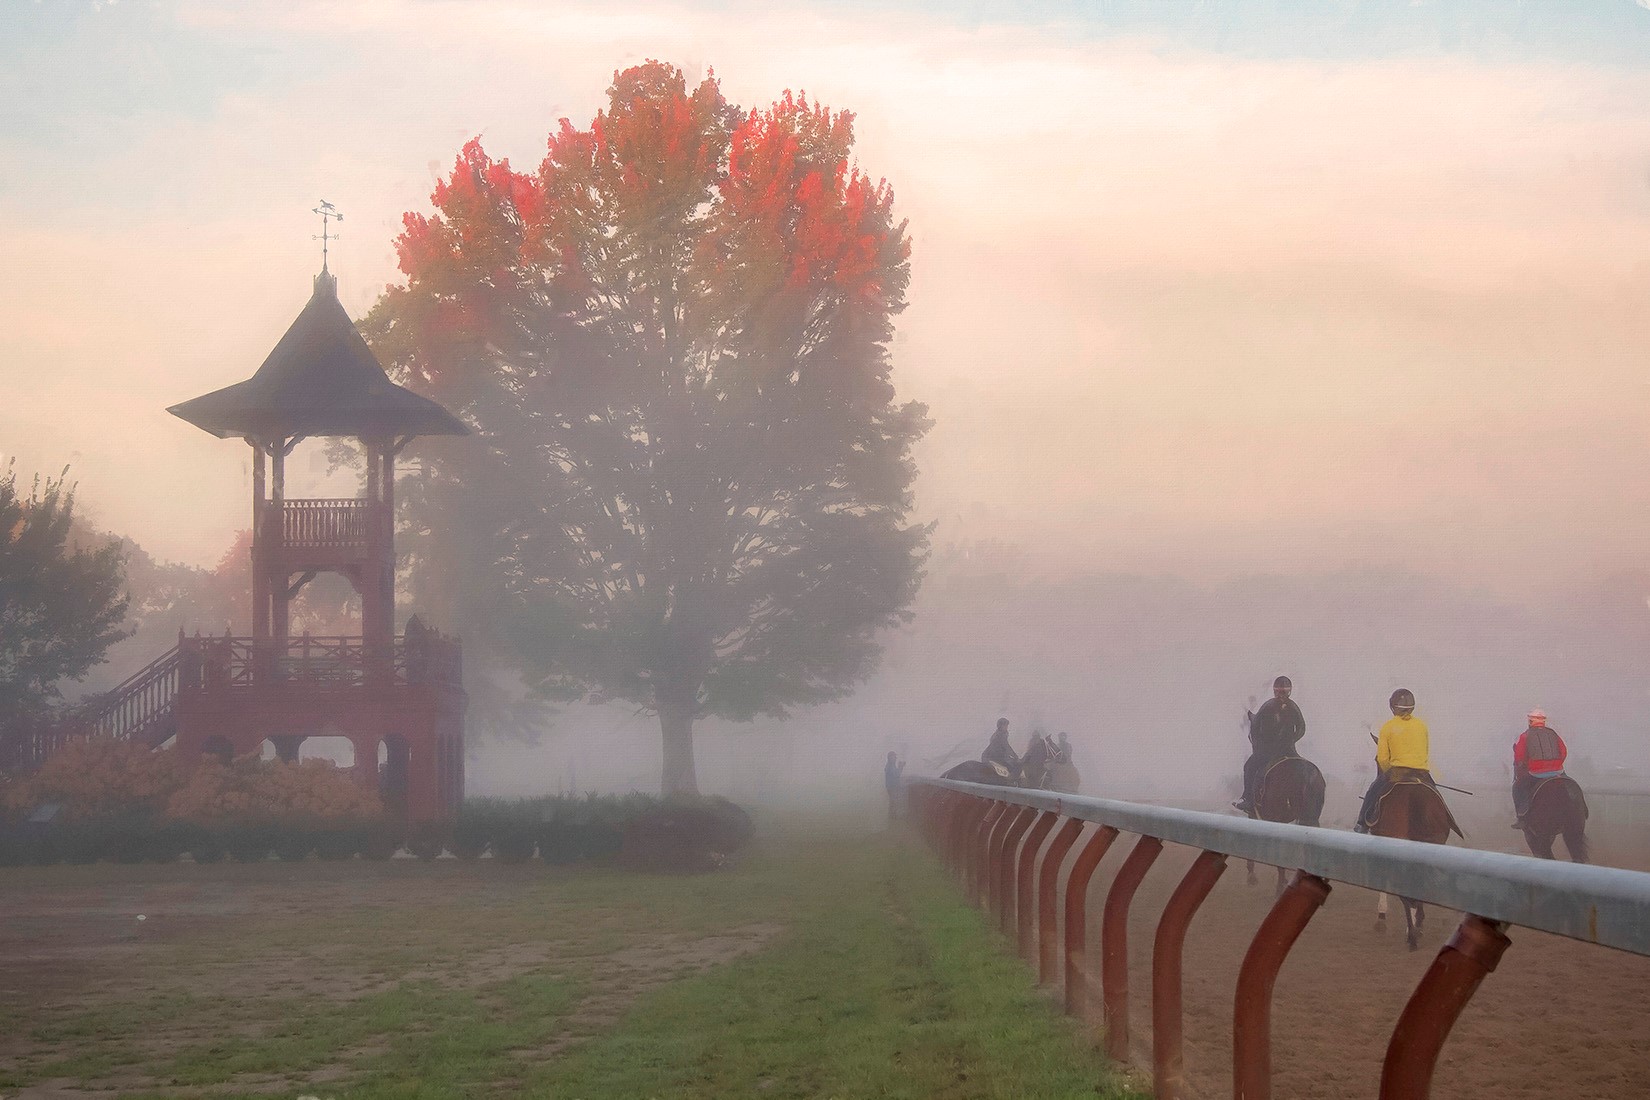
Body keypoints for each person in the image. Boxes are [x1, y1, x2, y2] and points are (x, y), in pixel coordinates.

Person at [1354, 687, 1435, 833]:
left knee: (1373, 791)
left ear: (1393, 708)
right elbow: (1425, 752)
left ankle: (1361, 824)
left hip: (1397, 773)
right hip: (1422, 774)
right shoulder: (1422, 726)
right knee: (1434, 794)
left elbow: (1383, 759)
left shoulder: (1387, 727)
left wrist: (1388, 773)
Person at [1233, 676, 1306, 814]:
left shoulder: (1268, 705)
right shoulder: (1293, 706)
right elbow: (1302, 728)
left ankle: (1248, 800)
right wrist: (1291, 740)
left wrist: (1251, 717)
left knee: (1249, 766)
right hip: (1289, 751)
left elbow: (1255, 724)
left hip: (1269, 752)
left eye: (1282, 692)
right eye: (1280, 692)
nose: (1280, 695)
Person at [1512, 709, 1568, 828]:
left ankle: (1521, 816)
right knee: (1570, 786)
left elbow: (1519, 757)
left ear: (1530, 721)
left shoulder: (1525, 736)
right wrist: (1556, 764)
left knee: (1517, 788)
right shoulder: (1553, 734)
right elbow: (1563, 751)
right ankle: (1583, 809)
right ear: (1543, 721)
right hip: (1558, 771)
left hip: (1536, 773)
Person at [884, 751, 906, 822]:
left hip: (891, 786)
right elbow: (897, 775)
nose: (895, 758)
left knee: (893, 801)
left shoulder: (890, 765)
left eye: (895, 756)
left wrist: (900, 767)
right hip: (892, 787)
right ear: (890, 757)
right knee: (894, 801)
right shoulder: (890, 766)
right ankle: (893, 818)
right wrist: (901, 767)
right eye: (894, 756)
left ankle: (892, 817)